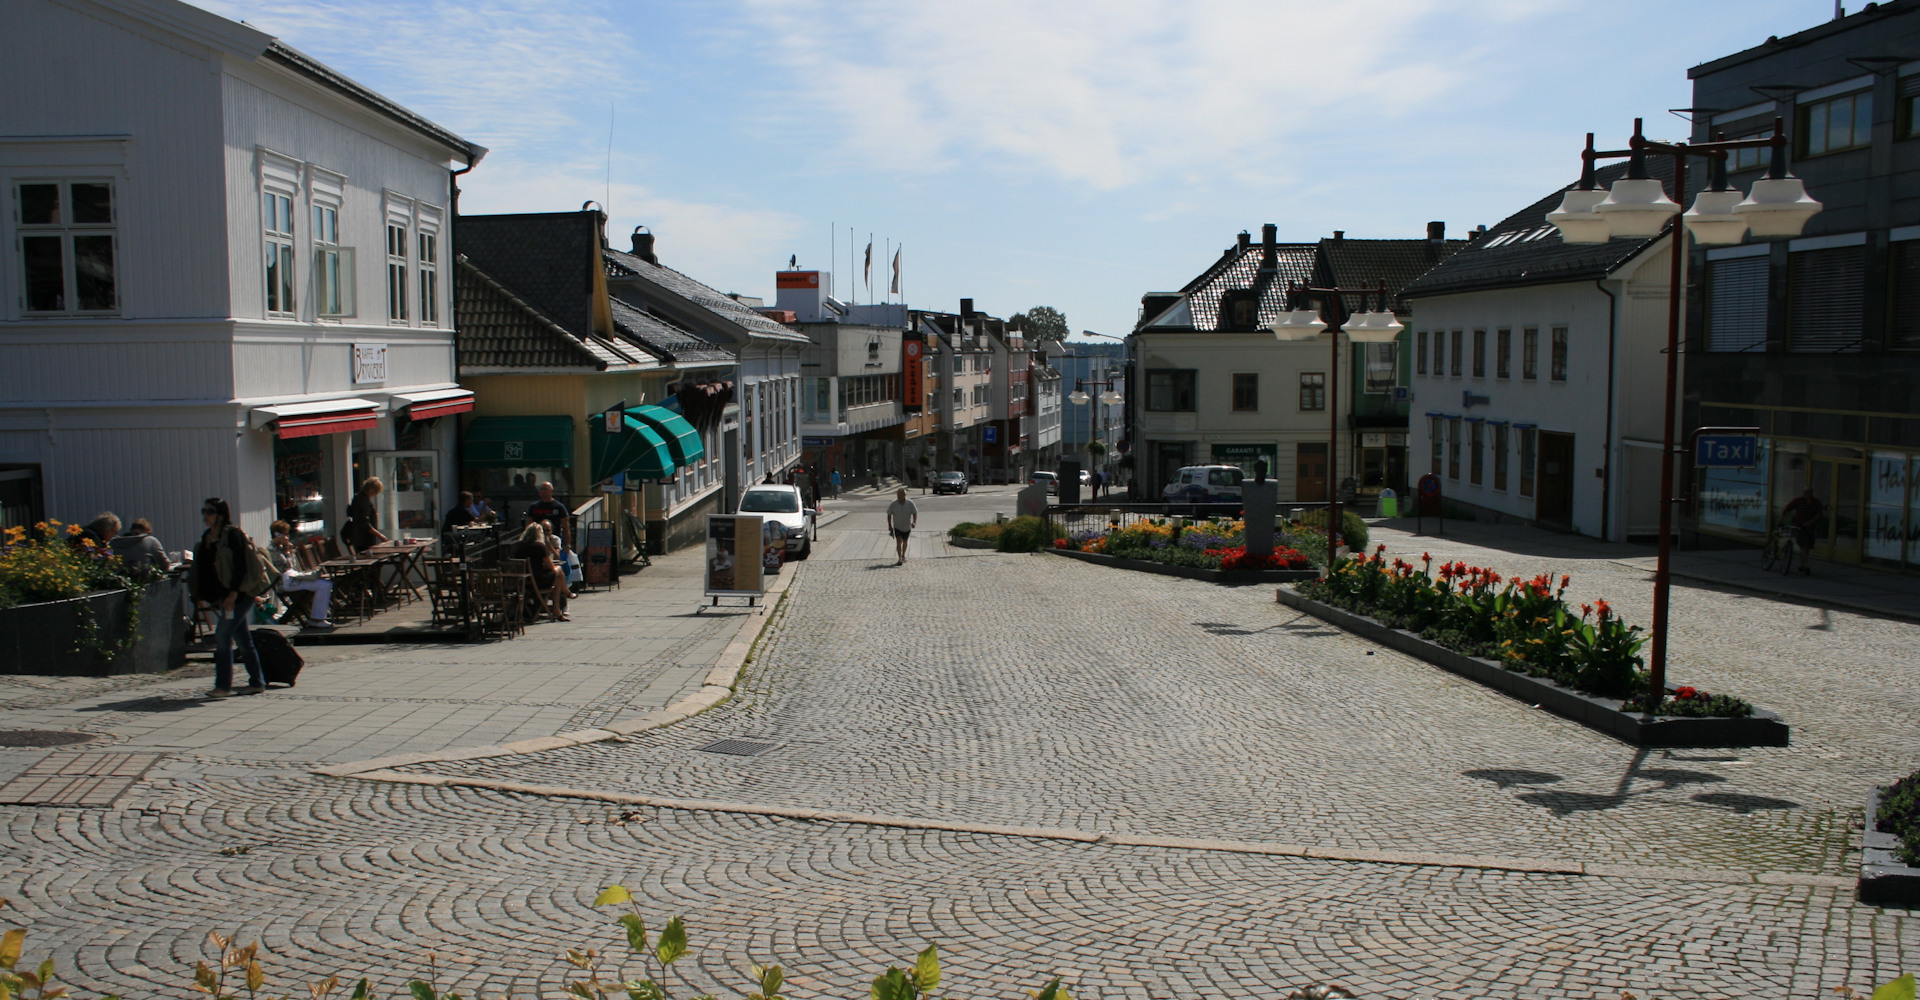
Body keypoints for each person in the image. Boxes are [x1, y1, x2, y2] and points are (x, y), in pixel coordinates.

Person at [193, 497, 266, 697]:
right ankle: (257, 681)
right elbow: (206, 571)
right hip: (223, 595)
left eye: (210, 512)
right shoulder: (207, 536)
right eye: (204, 511)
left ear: (221, 514)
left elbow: (241, 566)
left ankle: (223, 686)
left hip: (241, 593)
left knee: (223, 636)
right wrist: (209, 597)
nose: (205, 516)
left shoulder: (233, 534)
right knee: (243, 639)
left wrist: (233, 593)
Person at [267, 520, 332, 629]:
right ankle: (317, 619)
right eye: (284, 534)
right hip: (283, 582)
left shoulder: (283, 547)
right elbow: (284, 566)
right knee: (322, 585)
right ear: (277, 534)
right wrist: (287, 552)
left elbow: (293, 565)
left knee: (325, 584)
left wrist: (289, 552)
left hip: (292, 578)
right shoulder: (272, 549)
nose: (286, 536)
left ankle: (318, 616)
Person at [513, 521, 569, 620]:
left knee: (558, 576)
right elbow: (551, 567)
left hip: (521, 581)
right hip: (538, 580)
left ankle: (563, 597)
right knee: (559, 572)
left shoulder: (518, 546)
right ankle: (560, 603)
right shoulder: (539, 546)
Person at [1781, 487, 1825, 573]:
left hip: (1810, 527)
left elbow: (1819, 514)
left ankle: (1802, 564)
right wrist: (1782, 519)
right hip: (1799, 526)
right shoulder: (1798, 501)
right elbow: (1787, 509)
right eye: (1806, 492)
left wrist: (1810, 522)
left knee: (1807, 546)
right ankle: (1805, 565)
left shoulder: (1816, 502)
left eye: (1809, 492)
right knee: (1804, 545)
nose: (1807, 494)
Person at [343, 477, 389, 554]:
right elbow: (364, 523)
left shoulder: (358, 498)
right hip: (364, 539)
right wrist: (380, 536)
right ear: (372, 490)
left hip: (358, 537)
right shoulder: (363, 501)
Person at [886, 487, 918, 565]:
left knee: (905, 541)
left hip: (907, 526)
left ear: (904, 495)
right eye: (898, 494)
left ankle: (903, 554)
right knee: (899, 541)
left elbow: (915, 512)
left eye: (900, 495)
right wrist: (890, 525)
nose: (898, 496)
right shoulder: (893, 504)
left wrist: (914, 522)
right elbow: (889, 514)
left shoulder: (910, 503)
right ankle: (900, 557)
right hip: (897, 526)